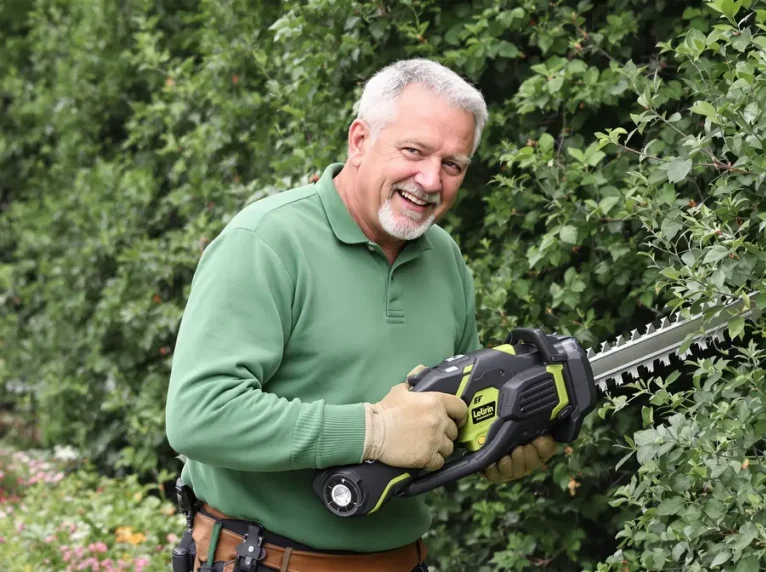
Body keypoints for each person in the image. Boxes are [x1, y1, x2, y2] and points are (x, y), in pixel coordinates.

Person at [164, 58, 558, 572]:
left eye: (453, 165)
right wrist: (372, 432)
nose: (430, 180)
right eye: (413, 151)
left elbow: (446, 422)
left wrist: (497, 443)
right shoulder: (265, 243)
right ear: (359, 141)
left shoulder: (446, 261)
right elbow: (200, 416)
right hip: (265, 561)